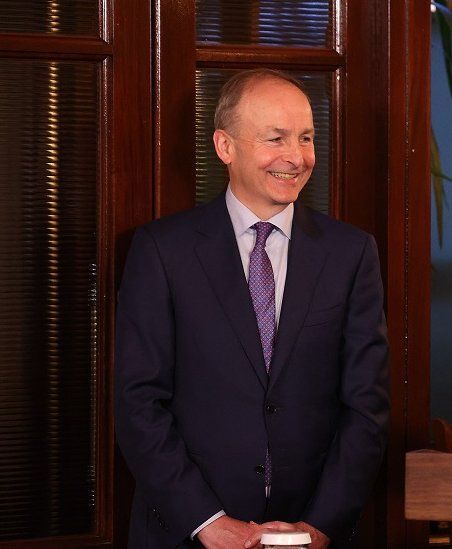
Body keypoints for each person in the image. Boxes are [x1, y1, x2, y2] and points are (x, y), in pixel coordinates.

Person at [115, 69, 389, 548]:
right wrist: (207, 522)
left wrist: (319, 526)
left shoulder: (351, 254)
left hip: (309, 533)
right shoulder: (162, 251)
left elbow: (366, 408)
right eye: (276, 138)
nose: (297, 157)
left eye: (306, 138)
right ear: (225, 146)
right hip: (186, 534)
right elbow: (139, 403)